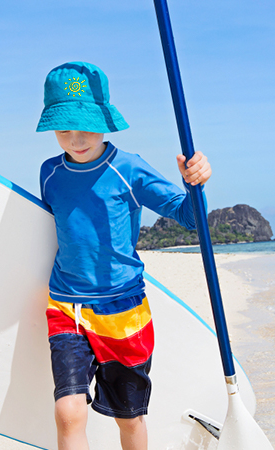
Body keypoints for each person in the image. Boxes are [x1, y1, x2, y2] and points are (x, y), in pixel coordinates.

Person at [36, 61, 211, 450]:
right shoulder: (49, 173)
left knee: (129, 420)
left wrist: (196, 182)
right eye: (64, 128)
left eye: (86, 125)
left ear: (105, 119)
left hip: (124, 312)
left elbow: (189, 217)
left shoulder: (127, 169)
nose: (76, 138)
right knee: (68, 412)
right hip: (67, 307)